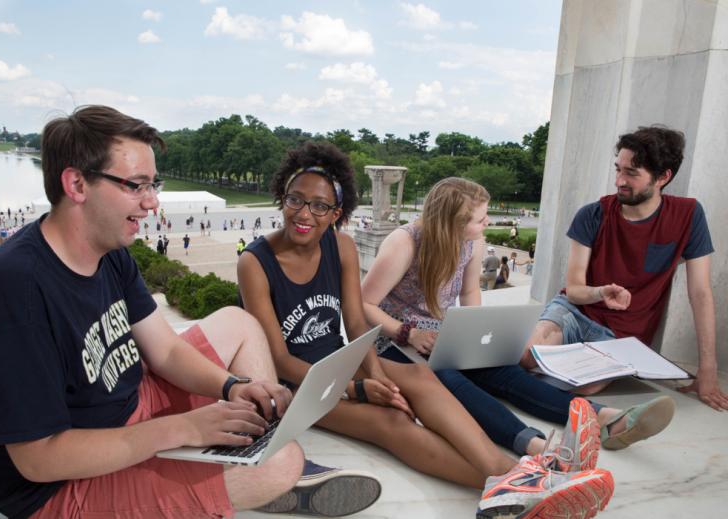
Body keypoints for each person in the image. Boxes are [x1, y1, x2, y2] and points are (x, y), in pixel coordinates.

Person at [0, 105, 306, 519]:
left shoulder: (108, 249)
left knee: (239, 323)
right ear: (77, 184)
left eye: (154, 184)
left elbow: (165, 351)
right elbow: (38, 458)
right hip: (61, 484)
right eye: (136, 186)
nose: (152, 203)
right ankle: (242, 476)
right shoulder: (12, 295)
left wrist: (232, 387)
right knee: (283, 463)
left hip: (128, 407)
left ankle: (242, 456)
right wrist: (183, 429)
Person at [238, 143, 614, 518]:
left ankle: (512, 483)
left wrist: (381, 378)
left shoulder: (342, 247)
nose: (304, 214)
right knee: (392, 421)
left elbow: (355, 324)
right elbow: (280, 359)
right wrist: (358, 390)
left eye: (319, 206)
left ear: (336, 212)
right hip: (296, 385)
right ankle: (516, 478)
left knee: (418, 375)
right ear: (281, 199)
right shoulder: (255, 262)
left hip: (338, 361)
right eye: (295, 200)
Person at [361, 176, 674, 467]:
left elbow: (470, 291)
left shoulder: (472, 242)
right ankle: (534, 445)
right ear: (453, 223)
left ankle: (605, 419)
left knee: (505, 372)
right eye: (480, 219)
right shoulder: (404, 243)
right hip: (393, 338)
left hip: (440, 333)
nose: (487, 223)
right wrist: (408, 332)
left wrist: (473, 335)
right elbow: (364, 303)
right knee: (450, 382)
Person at [519, 126, 728, 411]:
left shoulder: (689, 215)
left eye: (632, 173)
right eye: (619, 169)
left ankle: (513, 385)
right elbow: (575, 290)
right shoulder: (593, 214)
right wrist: (600, 292)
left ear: (663, 177)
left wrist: (708, 368)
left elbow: (701, 293)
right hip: (574, 312)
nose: (619, 181)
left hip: (622, 337)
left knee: (583, 387)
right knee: (526, 355)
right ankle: (509, 381)